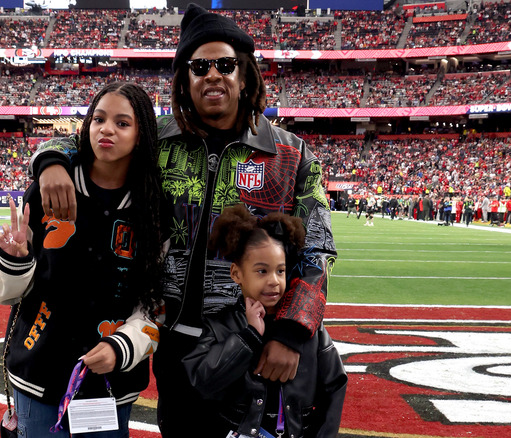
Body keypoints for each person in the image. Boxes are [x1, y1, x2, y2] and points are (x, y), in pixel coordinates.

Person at [27, 4, 337, 437]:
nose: (212, 74)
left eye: (225, 64)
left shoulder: (291, 155)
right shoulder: (157, 140)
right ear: (184, 79)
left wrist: (290, 334)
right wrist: (52, 162)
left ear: (244, 74)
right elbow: (90, 138)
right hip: (174, 345)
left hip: (253, 344)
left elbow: (318, 251)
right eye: (199, 66)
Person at [0, 82, 164, 438]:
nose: (106, 129)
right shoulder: (49, 188)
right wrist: (14, 258)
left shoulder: (153, 208)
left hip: (113, 381)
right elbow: (2, 293)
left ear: (142, 135)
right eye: (98, 119)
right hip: (39, 374)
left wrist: (122, 347)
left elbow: (155, 303)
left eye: (122, 123)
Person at [183, 204, 346, 438]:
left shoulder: (309, 330)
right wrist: (248, 338)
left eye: (280, 271)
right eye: (262, 271)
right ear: (236, 273)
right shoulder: (219, 326)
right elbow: (202, 383)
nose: (274, 281)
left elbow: (334, 385)